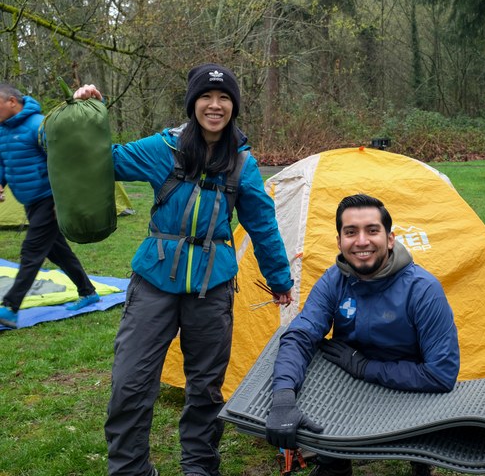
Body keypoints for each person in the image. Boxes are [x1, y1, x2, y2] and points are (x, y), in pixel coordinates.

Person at [73, 63, 294, 476]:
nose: (215, 105)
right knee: (130, 383)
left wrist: (279, 279)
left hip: (213, 287)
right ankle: (130, 469)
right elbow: (105, 159)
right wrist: (88, 115)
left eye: (224, 98)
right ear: (193, 104)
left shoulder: (243, 164)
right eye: (206, 98)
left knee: (206, 388)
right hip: (154, 281)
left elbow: (263, 224)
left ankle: (200, 466)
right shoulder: (163, 149)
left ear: (234, 106)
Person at [264, 194, 460, 476]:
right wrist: (283, 396)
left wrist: (366, 367)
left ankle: (420, 456)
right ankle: (334, 459)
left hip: (409, 387)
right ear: (339, 241)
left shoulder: (423, 289)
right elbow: (301, 335)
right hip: (348, 383)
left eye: (372, 230)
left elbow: (442, 374)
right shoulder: (334, 279)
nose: (361, 241)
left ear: (390, 239)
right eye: (350, 232)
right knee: (310, 351)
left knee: (418, 434)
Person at [0, 84, 100, 329]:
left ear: (12, 102)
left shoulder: (40, 126)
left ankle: (10, 307)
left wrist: (62, 199)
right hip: (29, 201)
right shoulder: (2, 131)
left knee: (31, 251)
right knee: (58, 251)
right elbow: (4, 161)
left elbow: (64, 162)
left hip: (49, 199)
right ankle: (88, 292)